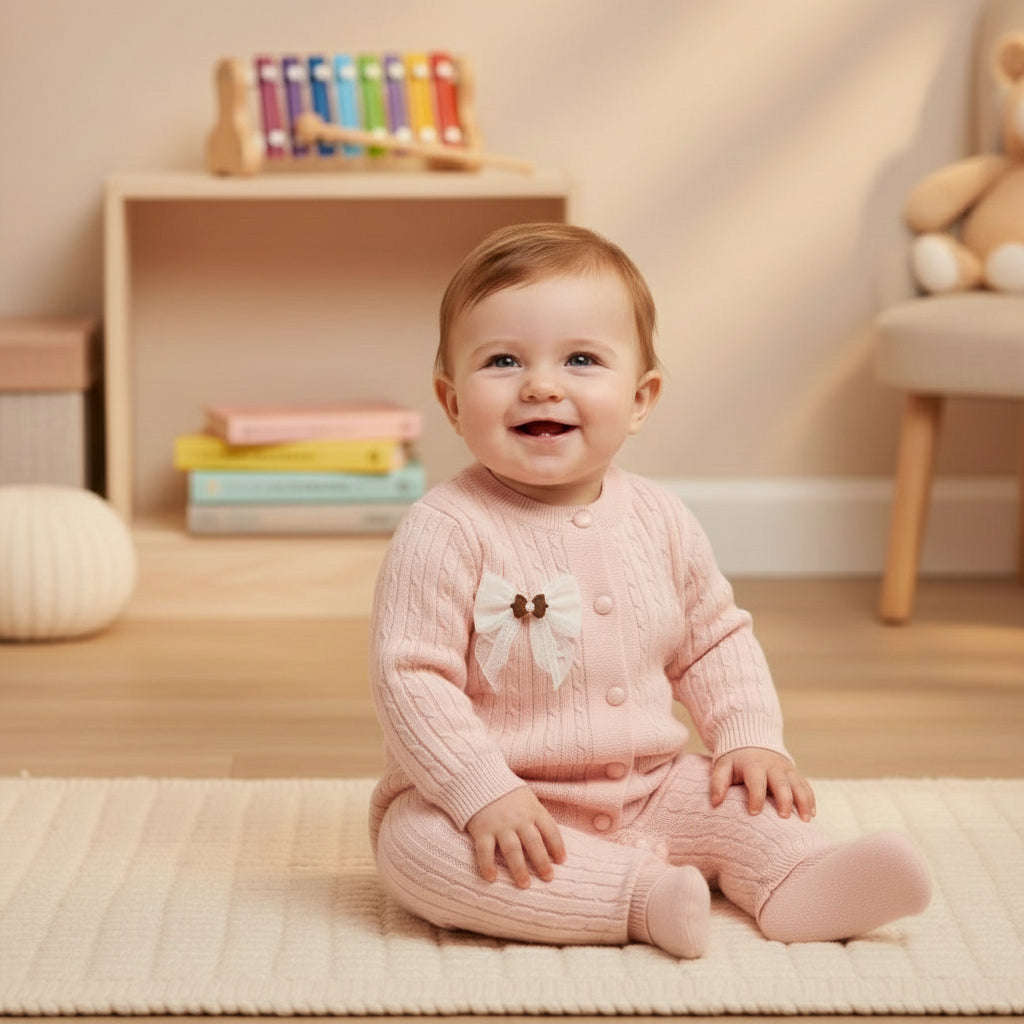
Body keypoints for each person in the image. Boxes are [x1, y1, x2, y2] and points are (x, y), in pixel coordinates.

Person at [368, 223, 931, 958]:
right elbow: (410, 679)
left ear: (640, 398)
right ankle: (636, 899)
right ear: (451, 401)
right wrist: (483, 792)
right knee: (420, 855)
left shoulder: (660, 518)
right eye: (502, 360)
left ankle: (800, 879)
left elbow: (713, 640)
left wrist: (750, 737)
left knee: (744, 800)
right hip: (496, 800)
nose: (542, 383)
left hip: (651, 784)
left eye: (580, 359)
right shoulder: (445, 529)